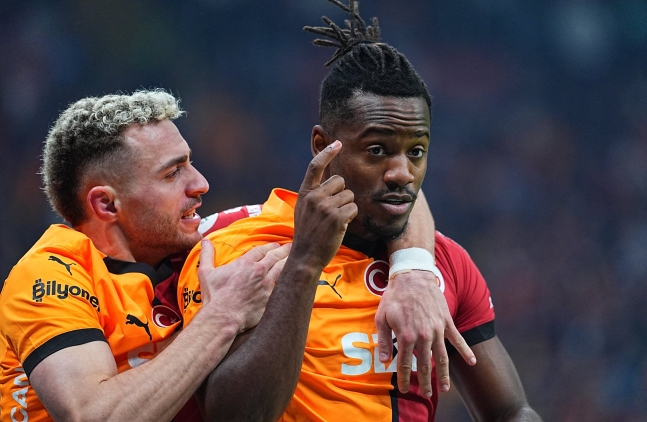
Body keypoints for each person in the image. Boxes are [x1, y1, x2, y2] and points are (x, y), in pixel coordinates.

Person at [0, 90, 472, 421]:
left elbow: (386, 193)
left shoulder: (209, 244)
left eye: (191, 162)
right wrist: (222, 317)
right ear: (106, 205)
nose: (200, 184)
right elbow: (93, 416)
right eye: (173, 173)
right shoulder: (50, 274)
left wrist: (412, 270)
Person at [178, 1, 542, 420]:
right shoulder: (237, 246)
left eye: (416, 151)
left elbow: (512, 412)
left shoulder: (444, 264)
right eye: (377, 150)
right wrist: (305, 264)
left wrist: (414, 268)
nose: (401, 173)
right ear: (322, 146)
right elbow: (234, 415)